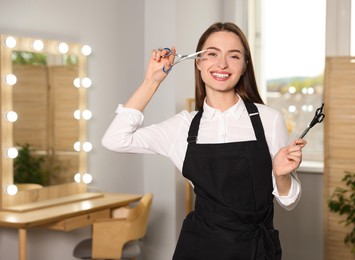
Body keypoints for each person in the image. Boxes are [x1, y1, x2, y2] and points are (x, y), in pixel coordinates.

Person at [102, 22, 306, 260]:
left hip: (255, 249)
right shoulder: (183, 126)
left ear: (244, 66)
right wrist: (152, 81)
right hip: (199, 248)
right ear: (198, 62)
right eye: (212, 54)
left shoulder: (268, 120)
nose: (222, 64)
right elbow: (115, 139)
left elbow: (289, 201)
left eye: (234, 56)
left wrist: (281, 176)